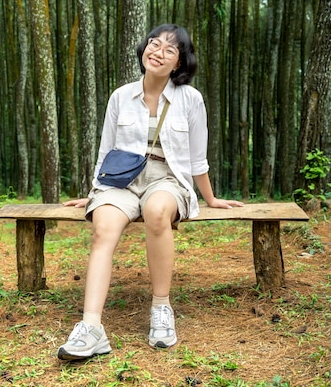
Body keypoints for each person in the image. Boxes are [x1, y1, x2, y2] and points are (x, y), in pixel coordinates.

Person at [57, 24, 243, 361]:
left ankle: (160, 308)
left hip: (167, 180)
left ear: (179, 63)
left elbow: (198, 158)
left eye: (169, 50)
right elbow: (105, 151)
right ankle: (91, 327)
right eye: (153, 44)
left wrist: (210, 198)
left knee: (157, 212)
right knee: (103, 228)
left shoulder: (190, 99)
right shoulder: (120, 96)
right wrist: (94, 193)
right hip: (121, 181)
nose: (157, 52)